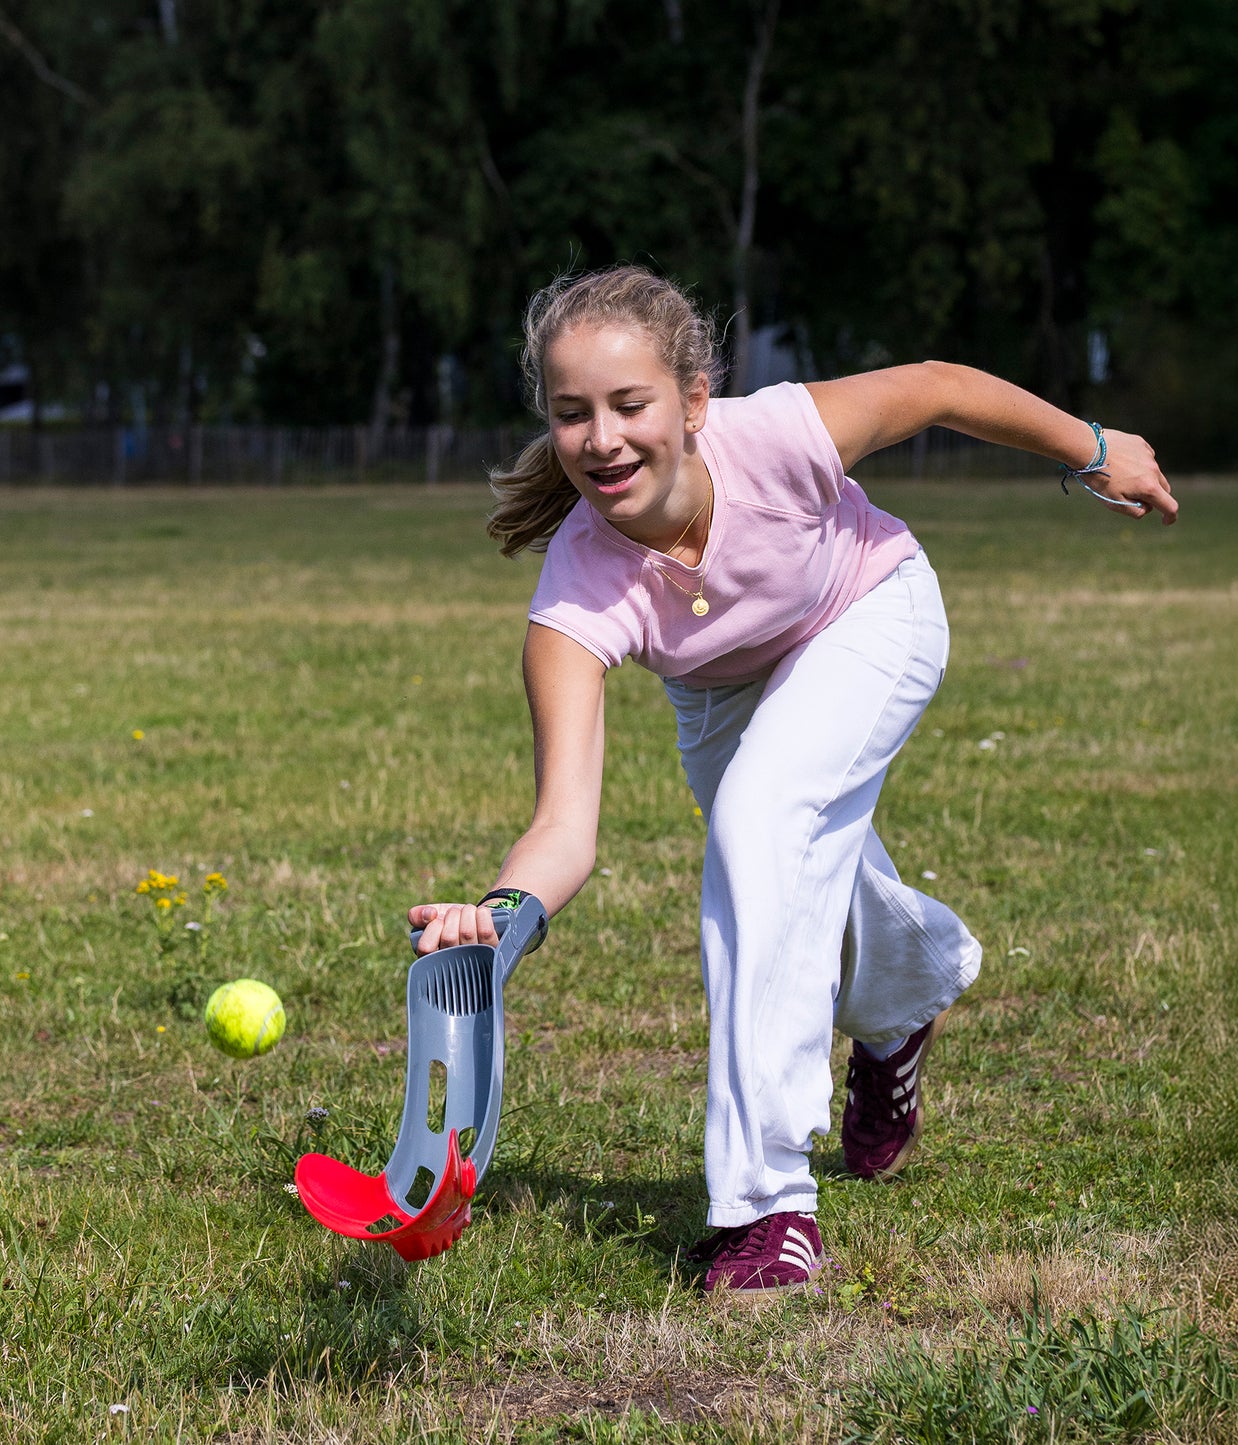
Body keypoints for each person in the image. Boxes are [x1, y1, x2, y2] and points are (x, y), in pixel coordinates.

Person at [408, 265, 1177, 1299]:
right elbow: (563, 827)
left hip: (869, 614)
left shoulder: (775, 433)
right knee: (787, 852)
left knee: (761, 818)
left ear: (690, 400)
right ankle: (903, 994)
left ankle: (767, 1204)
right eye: (571, 413)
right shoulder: (577, 589)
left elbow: (942, 383)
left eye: (628, 405)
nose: (601, 439)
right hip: (722, 693)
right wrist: (498, 916)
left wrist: (1095, 448)